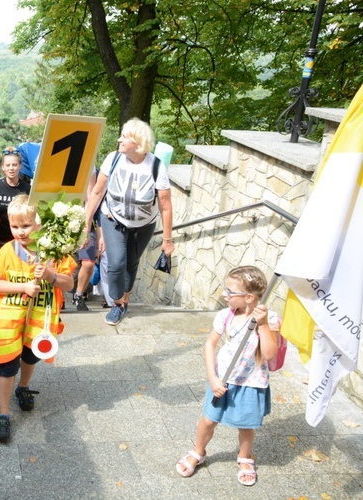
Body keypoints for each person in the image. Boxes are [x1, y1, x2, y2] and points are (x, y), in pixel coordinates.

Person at [176, 266, 280, 486]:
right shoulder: (226, 315)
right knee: (208, 420)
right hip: (222, 379)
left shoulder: (269, 319)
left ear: (249, 297)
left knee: (246, 424)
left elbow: (270, 354)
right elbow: (210, 344)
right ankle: (198, 451)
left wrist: (262, 324)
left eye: (230, 291)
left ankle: (244, 457)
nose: (224, 294)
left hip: (251, 381)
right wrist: (213, 377)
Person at [0, 194, 76, 441]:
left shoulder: (53, 251)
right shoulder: (7, 251)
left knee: (30, 355)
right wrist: (23, 288)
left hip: (39, 321)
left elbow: (69, 283)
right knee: (7, 365)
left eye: (25, 225)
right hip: (9, 320)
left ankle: (23, 387)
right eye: (15, 226)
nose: (20, 232)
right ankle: (3, 413)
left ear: (39, 224)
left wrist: (50, 275)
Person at [84, 118, 175, 326]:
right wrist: (86, 223)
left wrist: (167, 239)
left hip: (143, 225)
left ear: (138, 141)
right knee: (116, 263)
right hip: (113, 219)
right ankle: (116, 304)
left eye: (124, 136)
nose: (119, 140)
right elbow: (97, 193)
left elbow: (165, 205)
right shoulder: (113, 159)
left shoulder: (156, 166)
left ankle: (124, 301)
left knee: (131, 263)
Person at [0, 147, 31, 261]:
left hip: (19, 240)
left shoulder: (28, 189)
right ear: (3, 167)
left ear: (20, 166)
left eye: (14, 165)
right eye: (8, 165)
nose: (11, 168)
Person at [73, 169, 103, 311]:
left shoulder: (89, 165)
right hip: (63, 218)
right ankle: (58, 296)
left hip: (86, 222)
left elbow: (91, 197)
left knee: (89, 262)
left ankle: (78, 295)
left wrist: (97, 238)